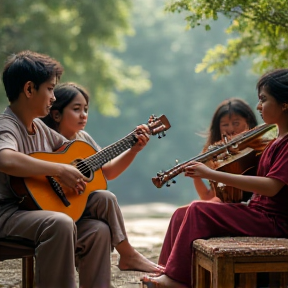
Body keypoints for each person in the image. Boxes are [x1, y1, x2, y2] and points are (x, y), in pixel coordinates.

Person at [0, 50, 161, 288]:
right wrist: (59, 170)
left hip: (37, 208)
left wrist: (132, 147)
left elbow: (87, 159)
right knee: (60, 223)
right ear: (29, 89)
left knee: (99, 227)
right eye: (50, 89)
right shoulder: (7, 126)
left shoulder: (41, 129)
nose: (53, 97)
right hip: (9, 213)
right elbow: (6, 159)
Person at [142, 68, 288, 288]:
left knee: (198, 210)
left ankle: (175, 281)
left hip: (275, 221)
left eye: (264, 100)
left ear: (285, 103)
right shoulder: (276, 140)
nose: (258, 106)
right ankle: (167, 270)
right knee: (181, 214)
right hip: (259, 214)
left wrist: (211, 173)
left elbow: (271, 186)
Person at [40, 82, 163, 279]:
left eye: (86, 110)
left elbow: (109, 171)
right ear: (56, 114)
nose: (83, 115)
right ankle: (128, 254)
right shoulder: (44, 138)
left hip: (74, 208)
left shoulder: (83, 139)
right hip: (49, 208)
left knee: (105, 197)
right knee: (105, 199)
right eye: (76, 109)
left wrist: (134, 149)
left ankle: (127, 255)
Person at [158, 98, 258, 266]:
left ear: (249, 123)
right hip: (222, 205)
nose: (231, 129)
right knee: (179, 215)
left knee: (184, 214)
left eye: (236, 123)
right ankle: (165, 269)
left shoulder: (257, 149)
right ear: (218, 128)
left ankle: (171, 274)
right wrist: (196, 175)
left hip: (245, 207)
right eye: (225, 125)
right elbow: (207, 196)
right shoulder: (214, 153)